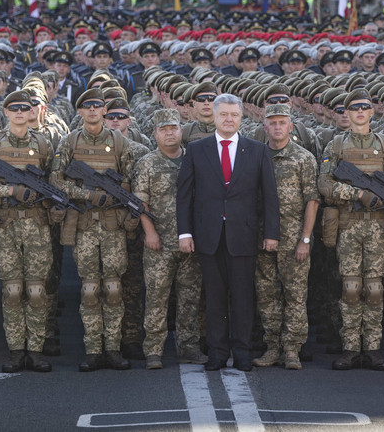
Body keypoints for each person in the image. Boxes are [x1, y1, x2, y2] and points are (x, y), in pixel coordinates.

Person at [176, 93, 280, 372]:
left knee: (243, 298)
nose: (229, 119)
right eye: (224, 115)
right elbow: (185, 195)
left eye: (234, 115)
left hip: (243, 235)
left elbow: (269, 196)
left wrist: (272, 233)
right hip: (208, 235)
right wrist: (184, 233)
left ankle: (242, 352)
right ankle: (218, 353)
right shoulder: (197, 150)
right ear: (214, 116)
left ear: (241, 118)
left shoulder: (257, 150)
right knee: (214, 297)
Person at [51, 88, 137, 372]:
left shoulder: (120, 141)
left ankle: (112, 348)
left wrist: (114, 195)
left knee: (113, 287)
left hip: (112, 224)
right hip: (85, 223)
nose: (92, 110)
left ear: (103, 110)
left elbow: (131, 180)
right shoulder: (69, 141)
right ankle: (92, 349)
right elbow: (56, 180)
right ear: (79, 111)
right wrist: (87, 194)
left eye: (97, 106)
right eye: (87, 106)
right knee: (89, 288)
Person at [0, 90, 56, 373]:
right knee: (12, 290)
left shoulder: (44, 144)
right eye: (14, 108)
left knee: (36, 290)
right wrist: (9, 190)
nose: (20, 113)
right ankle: (17, 350)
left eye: (25, 108)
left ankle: (36, 350)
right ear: (6, 113)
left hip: (37, 226)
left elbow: (54, 184)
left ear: (32, 111)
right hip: (6, 224)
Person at [317, 89, 384, 371]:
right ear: (347, 113)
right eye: (354, 108)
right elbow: (324, 184)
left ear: (372, 111)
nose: (360, 112)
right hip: (349, 224)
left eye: (365, 107)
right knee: (351, 287)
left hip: (377, 226)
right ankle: (350, 347)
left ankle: (372, 348)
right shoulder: (336, 145)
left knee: (374, 288)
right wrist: (356, 194)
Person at [131, 109, 206, 369]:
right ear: (155, 133)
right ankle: (153, 350)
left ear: (181, 131)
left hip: (190, 242)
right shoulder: (147, 163)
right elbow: (140, 202)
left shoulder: (194, 159)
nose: (170, 133)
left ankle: (189, 347)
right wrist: (149, 232)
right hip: (159, 242)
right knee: (157, 296)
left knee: (190, 297)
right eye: (163, 129)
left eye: (173, 128)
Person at [252, 104, 319, 370]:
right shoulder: (256, 156)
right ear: (265, 127)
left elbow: (312, 201)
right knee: (267, 294)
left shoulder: (303, 158)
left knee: (294, 295)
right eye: (273, 123)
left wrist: (305, 239)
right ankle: (272, 347)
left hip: (294, 241)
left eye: (283, 122)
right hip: (263, 238)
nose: (278, 127)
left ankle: (292, 349)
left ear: (291, 127)